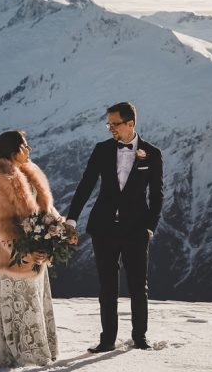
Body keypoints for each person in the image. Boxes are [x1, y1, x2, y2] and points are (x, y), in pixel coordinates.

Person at [66, 101, 163, 352]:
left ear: (130, 123)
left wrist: (150, 227)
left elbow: (158, 196)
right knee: (107, 286)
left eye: (115, 124)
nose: (110, 128)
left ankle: (140, 338)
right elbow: (85, 186)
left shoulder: (152, 153)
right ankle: (107, 340)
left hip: (136, 230)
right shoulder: (101, 150)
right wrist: (71, 219)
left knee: (137, 286)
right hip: (103, 228)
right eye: (108, 123)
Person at [0, 130, 59, 366]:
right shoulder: (1, 181)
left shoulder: (30, 173)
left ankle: (39, 350)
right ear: (13, 150)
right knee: (21, 306)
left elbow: (46, 210)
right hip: (15, 259)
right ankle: (24, 355)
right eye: (25, 146)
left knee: (34, 304)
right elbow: (1, 227)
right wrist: (24, 253)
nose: (29, 149)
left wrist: (61, 229)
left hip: (36, 256)